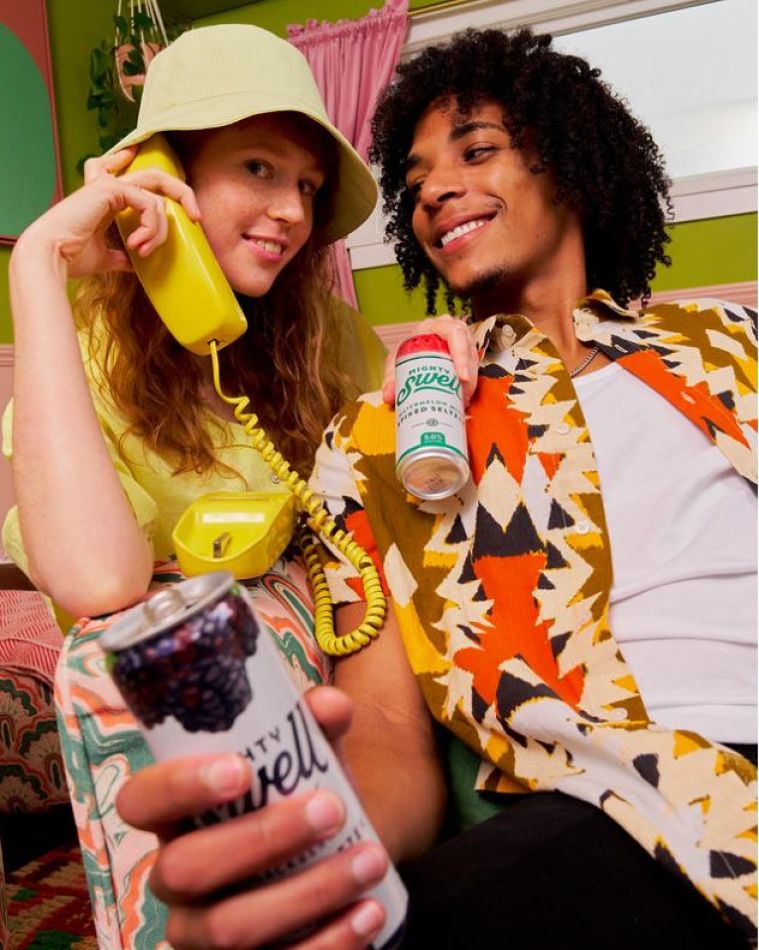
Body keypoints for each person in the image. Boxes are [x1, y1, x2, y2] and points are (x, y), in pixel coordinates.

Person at [119, 26, 757, 949]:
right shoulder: (378, 437)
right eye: (415, 180)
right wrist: (317, 847)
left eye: (476, 150)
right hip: (629, 799)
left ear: (567, 164)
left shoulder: (724, 345)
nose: (433, 191)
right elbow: (383, 720)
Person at [1, 23, 392, 620]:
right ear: (168, 175)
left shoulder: (332, 338)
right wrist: (38, 262)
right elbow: (97, 581)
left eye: (308, 186)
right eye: (258, 167)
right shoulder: (78, 373)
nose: (294, 210)